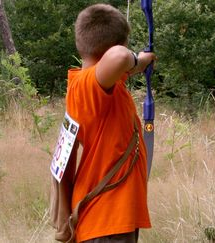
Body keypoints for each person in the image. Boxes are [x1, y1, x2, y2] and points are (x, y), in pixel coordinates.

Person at [61, 3, 156, 243]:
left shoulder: (102, 87)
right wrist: (134, 58)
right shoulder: (87, 87)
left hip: (109, 221)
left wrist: (143, 61)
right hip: (105, 222)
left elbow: (121, 65)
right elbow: (120, 57)